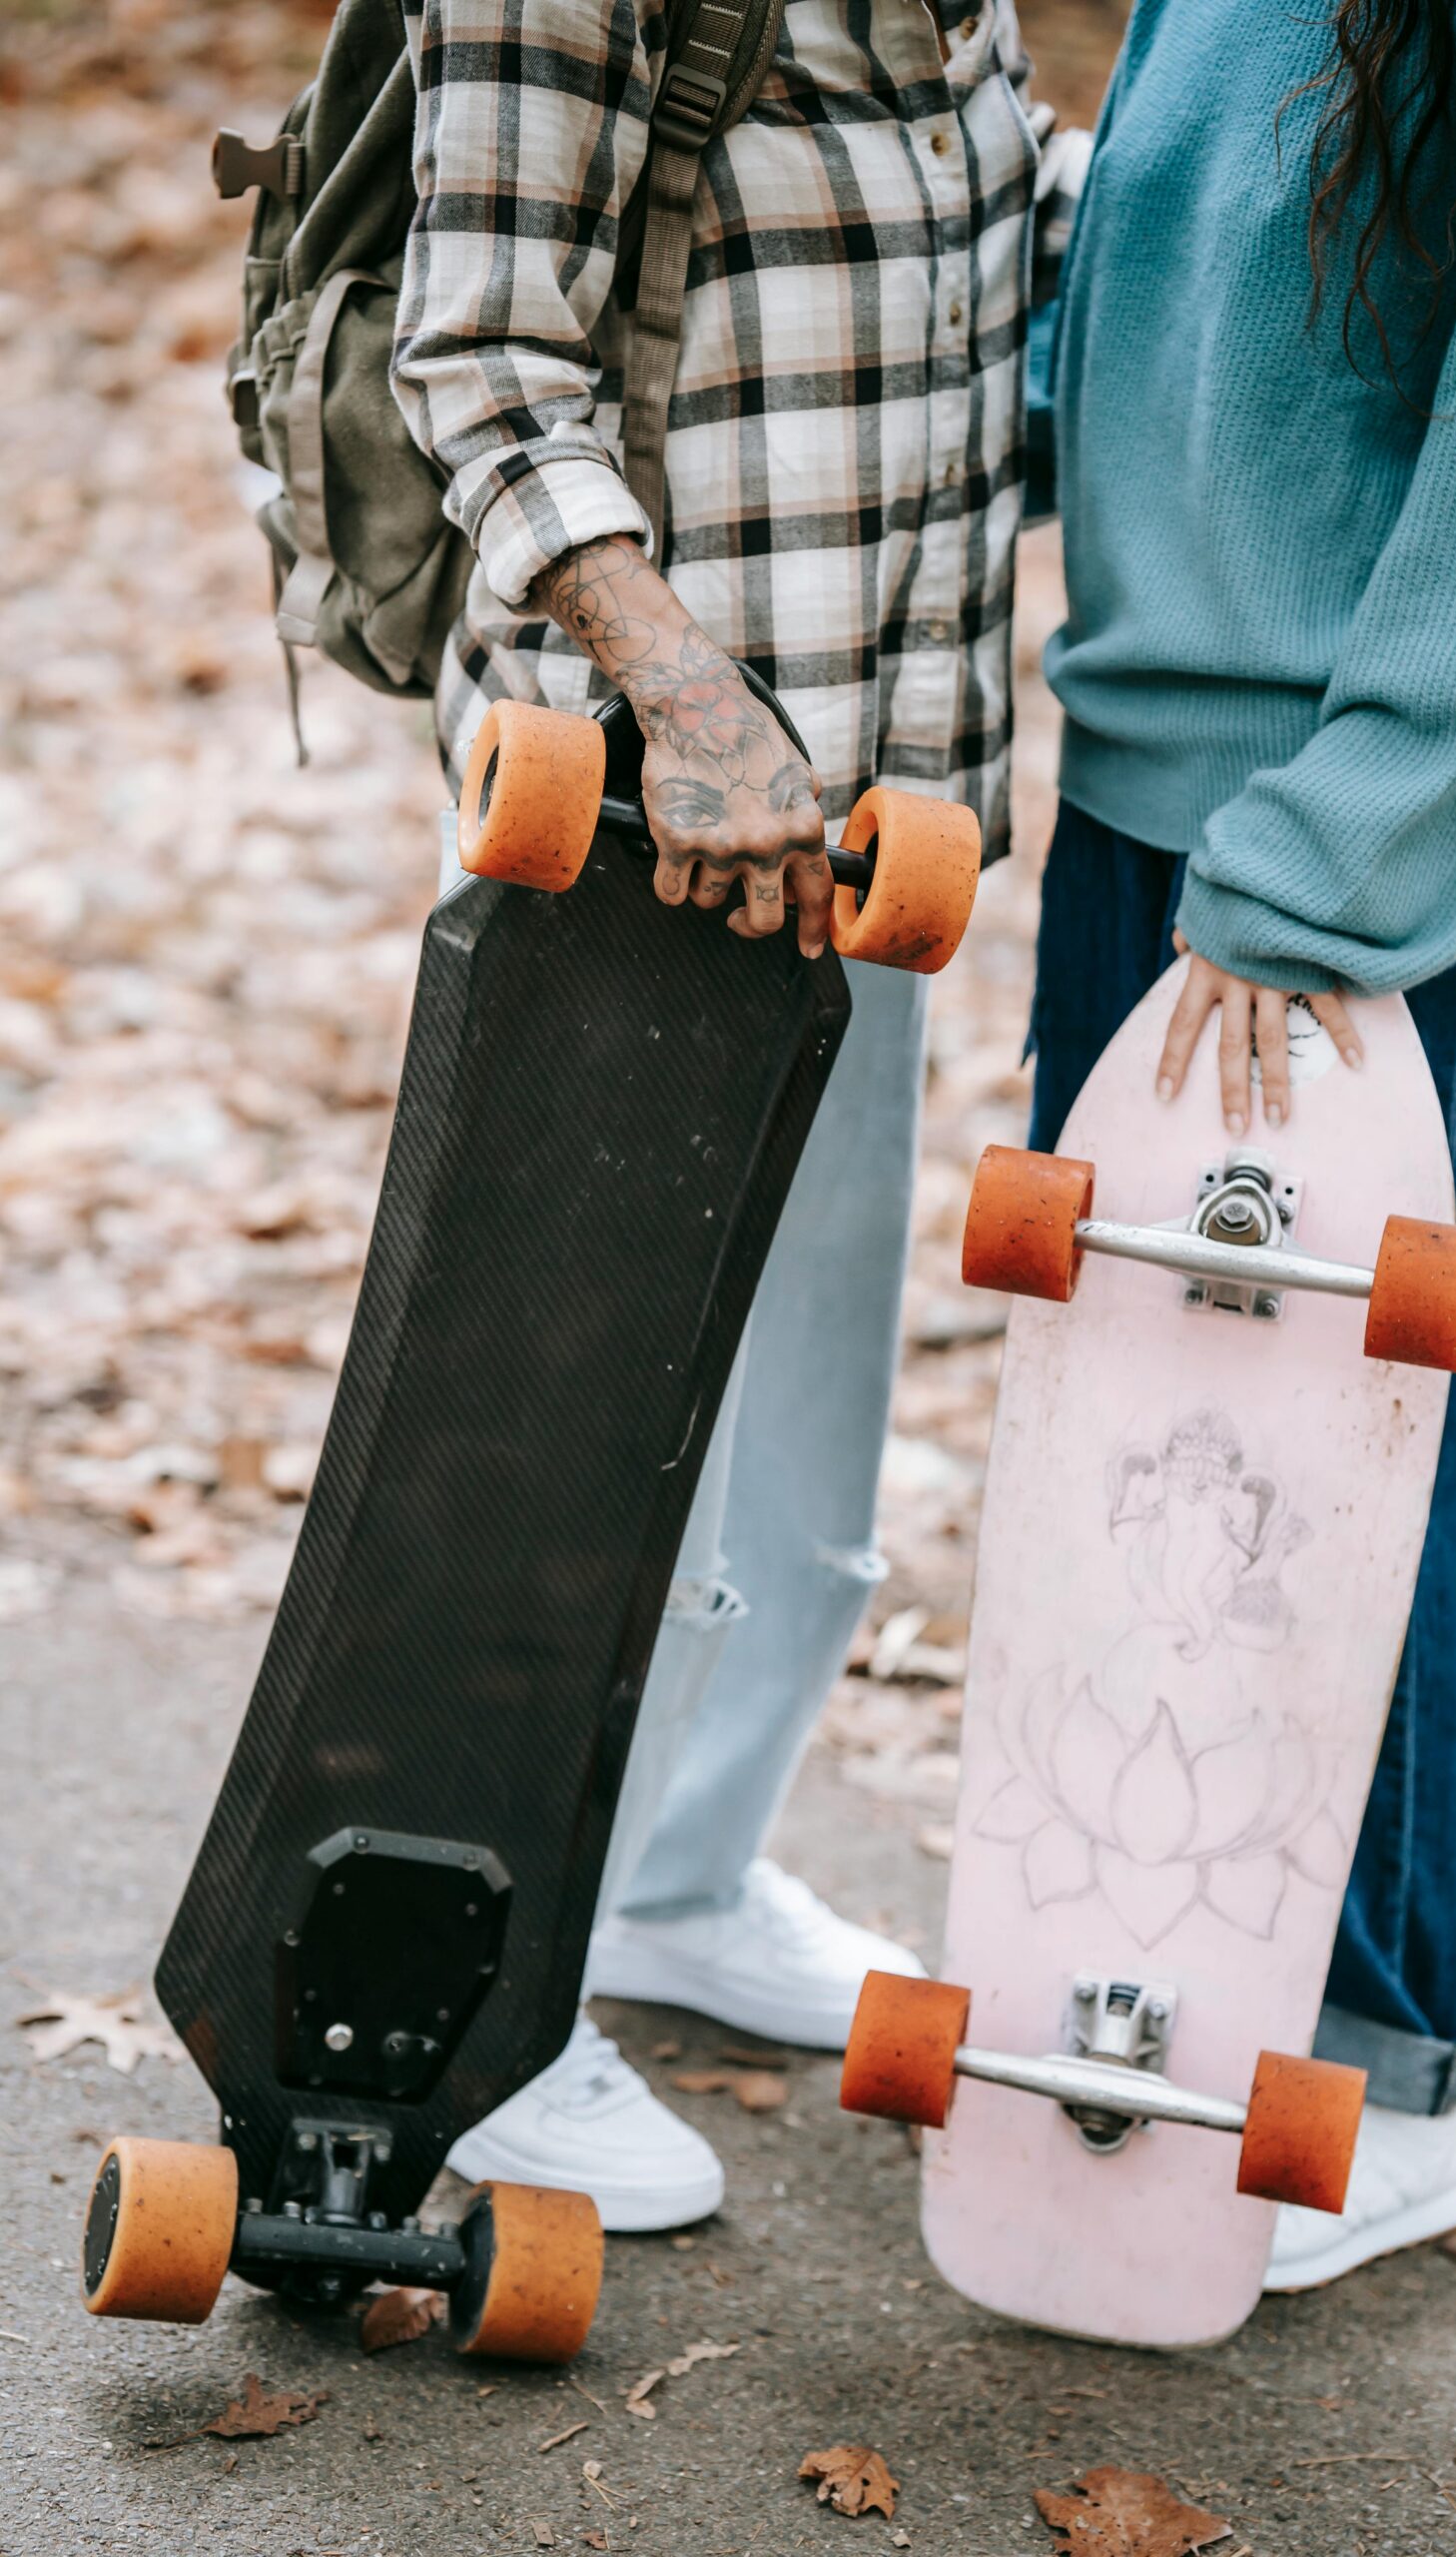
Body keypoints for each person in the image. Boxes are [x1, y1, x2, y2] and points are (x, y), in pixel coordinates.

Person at [391, 0, 1083, 2230]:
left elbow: (1005, 247)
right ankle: (471, 2004)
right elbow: (481, 355)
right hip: (638, 823)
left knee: (791, 1490)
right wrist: (682, 690)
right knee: (568, 1477)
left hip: (870, 832)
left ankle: (673, 1886)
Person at [1031, 0, 1456, 2287]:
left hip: (1345, 885)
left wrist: (1317, 878)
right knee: (1146, 1478)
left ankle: (1388, 2066)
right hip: (1131, 827)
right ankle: (1166, 2001)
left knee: (1362, 1480)